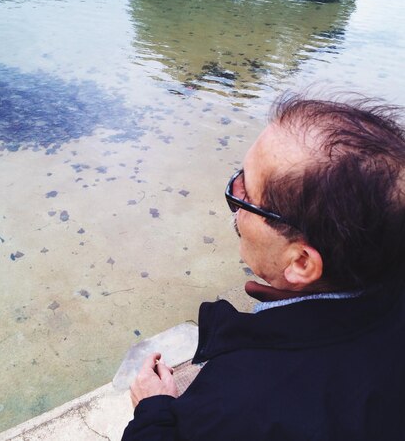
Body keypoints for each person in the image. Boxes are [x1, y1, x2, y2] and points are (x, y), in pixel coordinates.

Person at [122, 94, 405, 440]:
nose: (236, 202)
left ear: (301, 262)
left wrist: (153, 411)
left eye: (248, 198)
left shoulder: (236, 408)